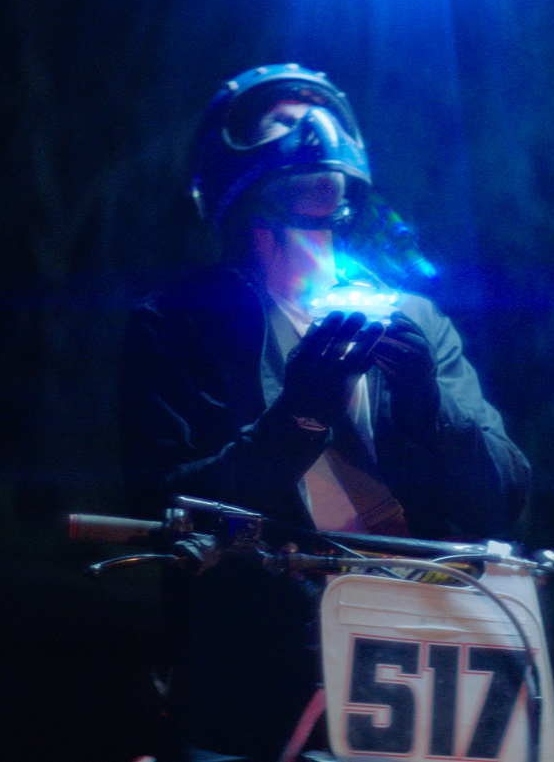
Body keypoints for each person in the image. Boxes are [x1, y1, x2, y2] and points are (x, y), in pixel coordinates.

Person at [118, 63, 531, 761]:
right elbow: (165, 505)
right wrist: (300, 418)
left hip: (423, 669)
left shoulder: (414, 317)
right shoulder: (178, 323)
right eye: (282, 120)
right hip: (254, 686)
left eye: (326, 116)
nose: (314, 130)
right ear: (228, 165)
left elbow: (501, 498)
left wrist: (429, 408)